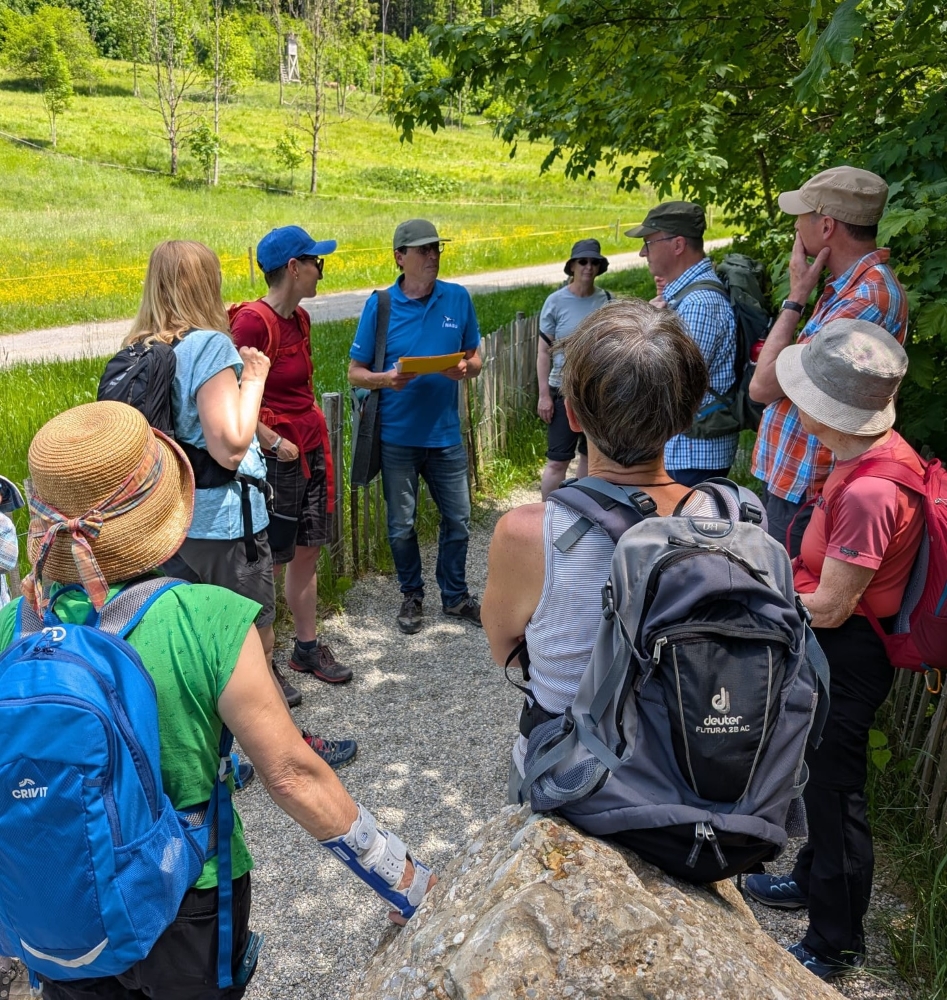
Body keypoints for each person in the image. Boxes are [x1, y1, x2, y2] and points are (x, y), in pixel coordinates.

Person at [0, 401, 434, 999]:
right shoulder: (208, 619)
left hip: (63, 902)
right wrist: (405, 883)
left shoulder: (12, 627)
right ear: (162, 512)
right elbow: (292, 775)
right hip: (189, 896)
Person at [125, 240, 355, 769]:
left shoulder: (142, 346)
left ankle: (210, 755)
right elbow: (229, 447)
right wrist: (253, 379)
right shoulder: (207, 345)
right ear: (207, 282)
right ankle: (284, 752)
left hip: (166, 520)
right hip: (223, 523)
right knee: (252, 639)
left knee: (186, 638)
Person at [744, 319, 923, 981]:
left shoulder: (873, 491)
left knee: (835, 792)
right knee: (818, 782)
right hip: (836, 647)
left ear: (825, 411)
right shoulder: (860, 458)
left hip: (847, 655)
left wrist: (758, 590)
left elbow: (831, 606)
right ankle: (808, 881)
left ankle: (835, 942)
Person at [481, 299, 714, 786]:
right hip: (687, 770)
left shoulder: (525, 534)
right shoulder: (723, 521)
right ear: (685, 417)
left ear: (572, 415)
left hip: (570, 771)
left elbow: (504, 648)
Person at [749, 165, 908, 557]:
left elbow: (764, 386)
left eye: (801, 216)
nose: (795, 228)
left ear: (826, 227)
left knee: (787, 608)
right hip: (795, 481)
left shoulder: (867, 300)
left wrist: (795, 298)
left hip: (809, 487)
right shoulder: (846, 290)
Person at [231, 226, 351, 699]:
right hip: (275, 456)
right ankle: (264, 661)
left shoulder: (300, 319)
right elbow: (230, 392)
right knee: (271, 559)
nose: (322, 269)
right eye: (316, 261)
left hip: (309, 444)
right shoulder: (251, 323)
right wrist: (268, 437)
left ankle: (306, 648)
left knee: (308, 548)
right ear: (294, 268)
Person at [348, 219, 483, 635]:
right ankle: (412, 594)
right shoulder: (382, 304)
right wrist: (385, 379)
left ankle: (455, 596)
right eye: (423, 250)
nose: (433, 257)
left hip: (445, 436)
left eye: (436, 249)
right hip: (397, 437)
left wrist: (465, 368)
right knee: (401, 525)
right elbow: (355, 372)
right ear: (399, 257)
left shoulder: (457, 298)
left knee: (458, 519)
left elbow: (476, 358)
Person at [626, 201, 738, 487]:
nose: (642, 252)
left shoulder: (699, 303)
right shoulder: (686, 297)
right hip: (685, 448)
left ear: (677, 245)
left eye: (648, 243)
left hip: (690, 454)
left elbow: (674, 380)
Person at [536, 239, 612, 499]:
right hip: (562, 391)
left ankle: (584, 513)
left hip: (595, 393)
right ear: (572, 267)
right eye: (583, 261)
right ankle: (547, 516)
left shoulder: (607, 301)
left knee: (590, 459)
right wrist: (544, 395)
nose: (588, 267)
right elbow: (543, 351)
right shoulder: (555, 302)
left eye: (594, 262)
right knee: (557, 461)